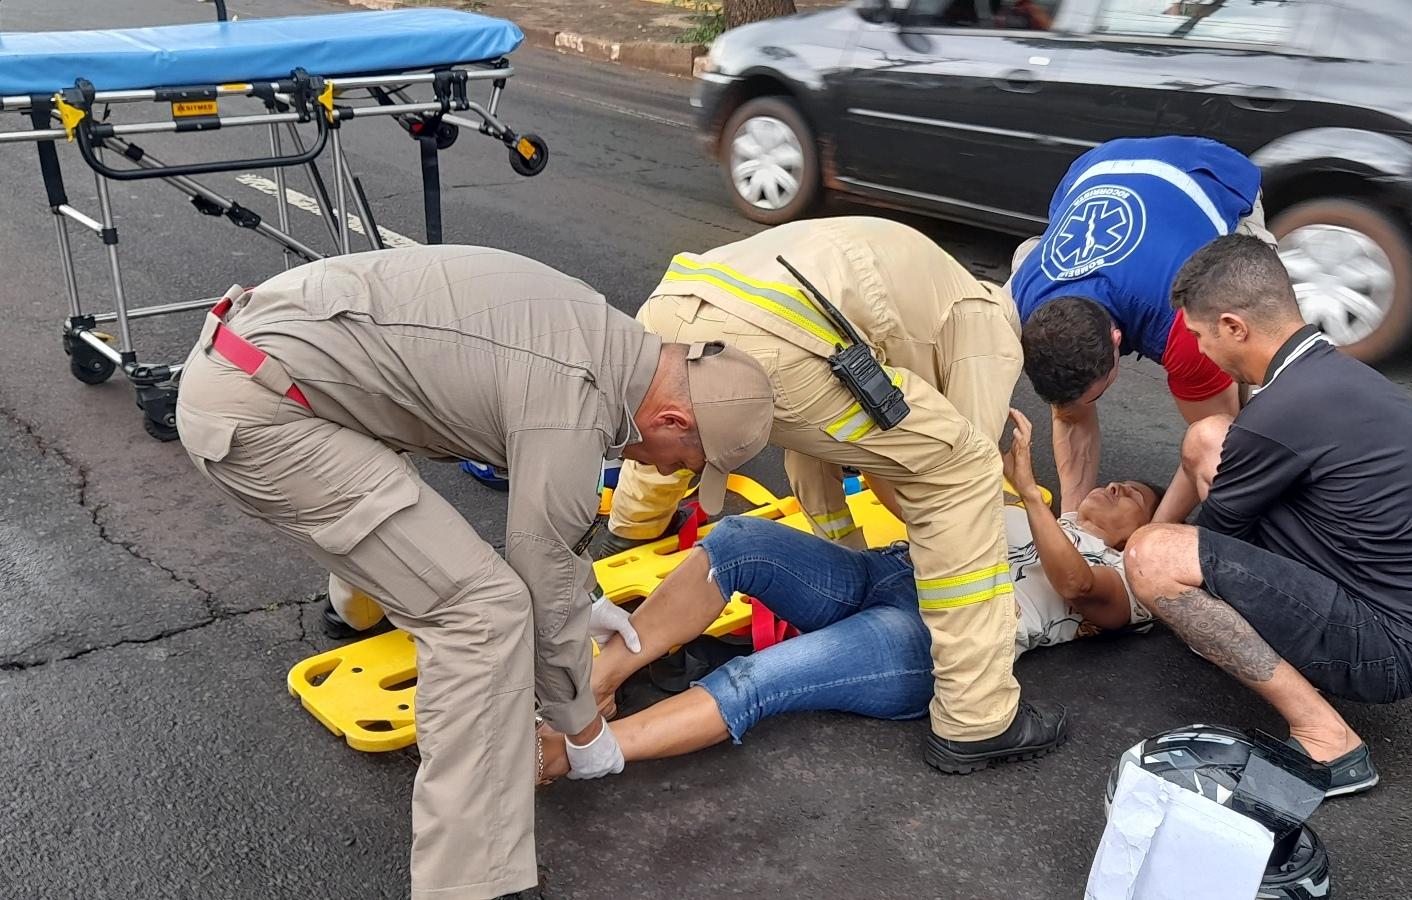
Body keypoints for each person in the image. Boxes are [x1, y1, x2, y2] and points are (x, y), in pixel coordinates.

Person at [174, 245, 775, 900]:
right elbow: (541, 573)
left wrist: (588, 597)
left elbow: (552, 537)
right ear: (671, 419)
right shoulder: (576, 400)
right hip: (260, 413)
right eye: (683, 459)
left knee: (417, 528)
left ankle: (353, 609)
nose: (669, 473)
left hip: (279, 362)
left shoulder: (599, 331)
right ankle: (471, 883)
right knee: (482, 616)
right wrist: (584, 730)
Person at [590, 216, 1062, 773]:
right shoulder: (988, 329)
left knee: (674, 444)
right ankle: (978, 719)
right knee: (963, 474)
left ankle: (588, 689)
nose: (1120, 495)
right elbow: (955, 480)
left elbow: (817, 435)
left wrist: (844, 548)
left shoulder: (927, 279)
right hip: (786, 336)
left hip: (683, 305)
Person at [534, 409, 1158, 778]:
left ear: (1140, 536)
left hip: (930, 637)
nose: (1117, 487)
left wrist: (1026, 488)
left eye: (1134, 496)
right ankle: (596, 692)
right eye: (1116, 481)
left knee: (757, 679)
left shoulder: (1124, 581)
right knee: (739, 540)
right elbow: (914, 511)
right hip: (883, 572)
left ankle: (584, 754)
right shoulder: (1026, 512)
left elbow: (1075, 585)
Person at [1121, 235, 1412, 797]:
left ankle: (1329, 740)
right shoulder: (1330, 376)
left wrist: (1139, 572)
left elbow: (1207, 544)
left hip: (1388, 647)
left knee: (1152, 557)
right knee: (1208, 436)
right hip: (1398, 603)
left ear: (1235, 327)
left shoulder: (1279, 412)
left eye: (1201, 335)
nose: (1200, 351)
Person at [1009, 135, 1275, 524]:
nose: (1079, 407)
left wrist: (1153, 533)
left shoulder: (1189, 321)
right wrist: (1073, 526)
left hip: (1209, 174)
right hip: (1102, 163)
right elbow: (1070, 415)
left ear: (1116, 340)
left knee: (1238, 425)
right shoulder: (1022, 298)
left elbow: (1214, 437)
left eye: (1092, 395)